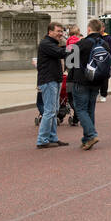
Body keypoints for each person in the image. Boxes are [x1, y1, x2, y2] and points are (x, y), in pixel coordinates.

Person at [68, 19, 108, 150]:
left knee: (80, 110)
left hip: (81, 80)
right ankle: (86, 139)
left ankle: (91, 135)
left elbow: (70, 62)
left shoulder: (82, 44)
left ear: (89, 29)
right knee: (90, 109)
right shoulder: (104, 44)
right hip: (96, 81)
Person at [35, 21, 70, 149]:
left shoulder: (52, 44)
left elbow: (60, 51)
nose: (60, 34)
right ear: (50, 32)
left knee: (53, 111)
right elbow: (61, 53)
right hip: (48, 81)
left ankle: (52, 137)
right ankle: (42, 140)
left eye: (61, 31)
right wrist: (74, 46)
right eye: (58, 31)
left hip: (54, 80)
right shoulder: (46, 44)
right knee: (49, 111)